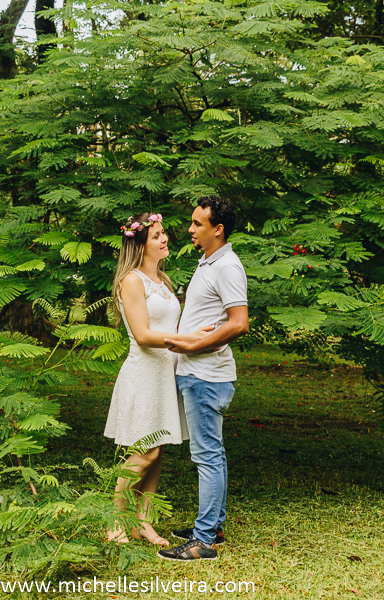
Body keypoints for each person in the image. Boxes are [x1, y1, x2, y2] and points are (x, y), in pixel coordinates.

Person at [104, 212, 215, 547]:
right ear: (139, 245)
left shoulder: (163, 281)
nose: (164, 238)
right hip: (143, 374)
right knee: (145, 453)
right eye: (156, 236)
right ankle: (115, 521)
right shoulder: (131, 281)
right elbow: (142, 335)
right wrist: (188, 339)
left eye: (163, 233)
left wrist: (194, 336)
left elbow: (168, 326)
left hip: (165, 374)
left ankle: (143, 522)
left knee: (158, 451)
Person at [158, 196, 248, 562]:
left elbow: (239, 323)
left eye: (198, 223)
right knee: (213, 452)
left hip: (206, 376)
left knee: (207, 455)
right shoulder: (209, 262)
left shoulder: (227, 266)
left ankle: (203, 540)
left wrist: (193, 346)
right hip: (199, 374)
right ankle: (215, 526)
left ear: (218, 229)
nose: (190, 229)